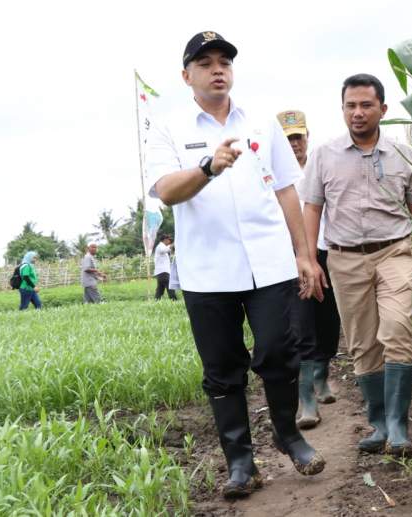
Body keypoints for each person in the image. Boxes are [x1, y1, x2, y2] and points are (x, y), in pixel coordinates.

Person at [145, 31, 324, 499]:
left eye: (224, 61)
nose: (217, 69)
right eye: (204, 63)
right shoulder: (167, 127)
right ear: (187, 76)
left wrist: (304, 255)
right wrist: (207, 167)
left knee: (278, 353)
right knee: (223, 368)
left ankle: (289, 436)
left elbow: (287, 189)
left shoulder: (262, 124)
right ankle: (241, 462)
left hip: (269, 265)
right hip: (208, 271)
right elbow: (165, 191)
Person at [302, 74, 412, 457]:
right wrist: (310, 259)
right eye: (350, 106)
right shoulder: (324, 155)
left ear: (383, 109)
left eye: (365, 105)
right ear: (342, 108)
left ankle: (398, 426)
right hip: (344, 258)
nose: (357, 113)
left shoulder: (404, 153)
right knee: (362, 344)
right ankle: (378, 424)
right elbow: (313, 207)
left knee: (397, 330)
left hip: (394, 252)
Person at [277, 110, 342, 430]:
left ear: (307, 137)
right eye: (287, 138)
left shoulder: (320, 167)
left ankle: (322, 375)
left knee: (328, 319)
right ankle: (307, 399)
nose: (293, 144)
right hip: (291, 257)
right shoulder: (272, 174)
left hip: (327, 250)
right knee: (300, 323)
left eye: (297, 137)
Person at [153, 234, 178, 300]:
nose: (169, 241)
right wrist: (173, 244)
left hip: (161, 272)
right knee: (170, 287)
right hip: (163, 271)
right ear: (165, 240)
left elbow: (169, 250)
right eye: (169, 240)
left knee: (160, 289)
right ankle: (174, 300)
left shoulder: (162, 246)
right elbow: (164, 250)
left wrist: (173, 247)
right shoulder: (160, 246)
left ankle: (157, 300)